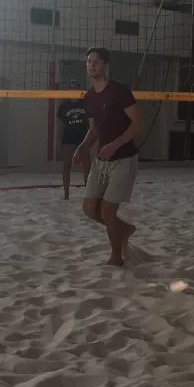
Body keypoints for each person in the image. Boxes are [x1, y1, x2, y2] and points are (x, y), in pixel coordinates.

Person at [75, 48, 143, 266]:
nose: (91, 65)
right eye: (88, 62)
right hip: (101, 160)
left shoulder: (119, 90)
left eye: (96, 61)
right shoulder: (89, 96)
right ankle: (124, 229)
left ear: (106, 65)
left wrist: (116, 144)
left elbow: (138, 123)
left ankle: (116, 258)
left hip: (123, 158)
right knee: (89, 209)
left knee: (107, 210)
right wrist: (83, 147)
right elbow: (93, 129)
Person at [56, 80, 91, 200]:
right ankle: (66, 194)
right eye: (71, 88)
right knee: (67, 166)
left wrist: (91, 138)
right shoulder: (63, 106)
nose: (73, 90)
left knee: (87, 167)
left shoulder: (85, 104)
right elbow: (60, 125)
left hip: (83, 137)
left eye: (75, 88)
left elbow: (89, 123)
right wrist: (58, 142)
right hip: (68, 138)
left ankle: (88, 194)